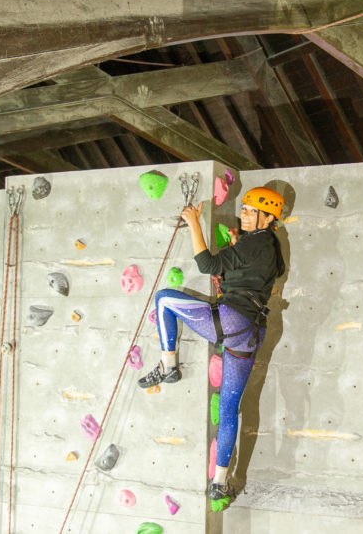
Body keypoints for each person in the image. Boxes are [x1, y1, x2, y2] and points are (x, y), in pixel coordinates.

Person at [138, 187, 286, 501]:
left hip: (231, 321)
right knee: (230, 410)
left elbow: (207, 265)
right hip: (250, 333)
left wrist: (194, 221)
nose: (243, 214)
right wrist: (238, 244)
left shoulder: (257, 241)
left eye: (250, 210)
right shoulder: (267, 244)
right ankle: (220, 482)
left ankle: (168, 366)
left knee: (164, 299)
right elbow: (262, 270)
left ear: (269, 217)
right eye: (244, 208)